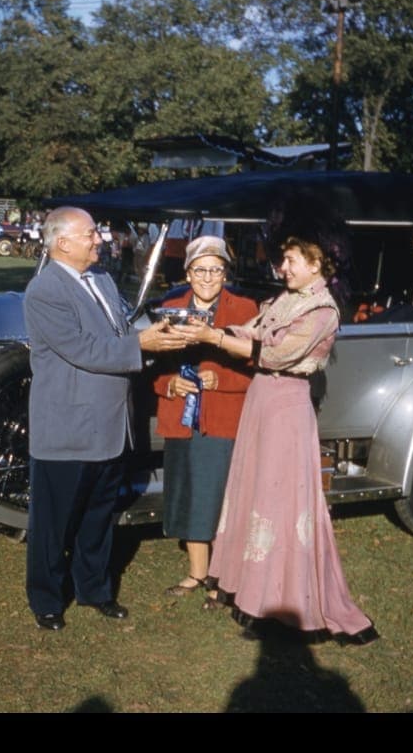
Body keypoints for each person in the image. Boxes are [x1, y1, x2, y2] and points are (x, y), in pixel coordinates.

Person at [174, 234, 379, 646]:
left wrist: (213, 338)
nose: (282, 268)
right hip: (261, 403)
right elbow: (247, 330)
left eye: (289, 260)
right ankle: (252, 591)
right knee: (254, 493)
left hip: (286, 405)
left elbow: (275, 354)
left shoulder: (322, 311)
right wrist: (207, 326)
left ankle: (281, 600)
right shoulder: (283, 300)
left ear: (315, 264)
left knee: (280, 500)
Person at [23, 206, 189, 631]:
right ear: (62, 243)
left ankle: (94, 590)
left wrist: (152, 337)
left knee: (98, 518)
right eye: (91, 234)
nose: (101, 239)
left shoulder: (101, 279)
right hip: (67, 430)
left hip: (110, 427)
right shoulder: (44, 291)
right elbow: (82, 350)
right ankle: (47, 600)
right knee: (53, 524)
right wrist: (142, 346)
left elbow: (114, 336)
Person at [152, 236, 257, 609]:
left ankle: (222, 580)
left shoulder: (245, 309)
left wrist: (221, 380)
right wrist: (169, 385)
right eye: (200, 270)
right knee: (188, 495)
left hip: (223, 420)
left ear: (226, 272)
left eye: (216, 269)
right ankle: (197, 573)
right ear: (187, 272)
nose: (208, 278)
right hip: (181, 419)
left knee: (219, 500)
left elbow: (259, 369)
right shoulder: (170, 307)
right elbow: (153, 366)